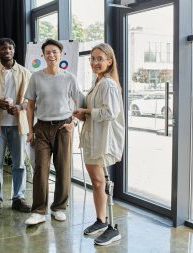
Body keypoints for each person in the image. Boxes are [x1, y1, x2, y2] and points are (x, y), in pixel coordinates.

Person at [73, 43, 125, 245]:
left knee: (99, 182)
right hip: (93, 137)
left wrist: (86, 112)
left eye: (99, 59)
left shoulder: (108, 84)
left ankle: (111, 227)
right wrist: (84, 113)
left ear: (109, 61)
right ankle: (101, 221)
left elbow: (110, 113)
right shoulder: (99, 82)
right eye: (92, 58)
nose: (95, 62)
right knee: (97, 182)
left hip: (101, 140)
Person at [25, 39, 80, 225]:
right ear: (43, 55)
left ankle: (59, 208)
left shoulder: (69, 78)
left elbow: (80, 102)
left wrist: (74, 123)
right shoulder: (36, 77)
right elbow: (30, 105)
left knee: (63, 167)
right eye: (48, 52)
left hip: (63, 126)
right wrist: (30, 130)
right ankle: (39, 211)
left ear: (61, 54)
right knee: (40, 168)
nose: (51, 55)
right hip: (41, 126)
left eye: (55, 52)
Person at [0, 38, 32, 215]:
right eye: (3, 47)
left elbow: (31, 100)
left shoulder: (25, 73)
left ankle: (18, 198)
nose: (7, 50)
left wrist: (20, 107)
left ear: (14, 51)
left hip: (18, 124)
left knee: (19, 163)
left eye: (10, 47)